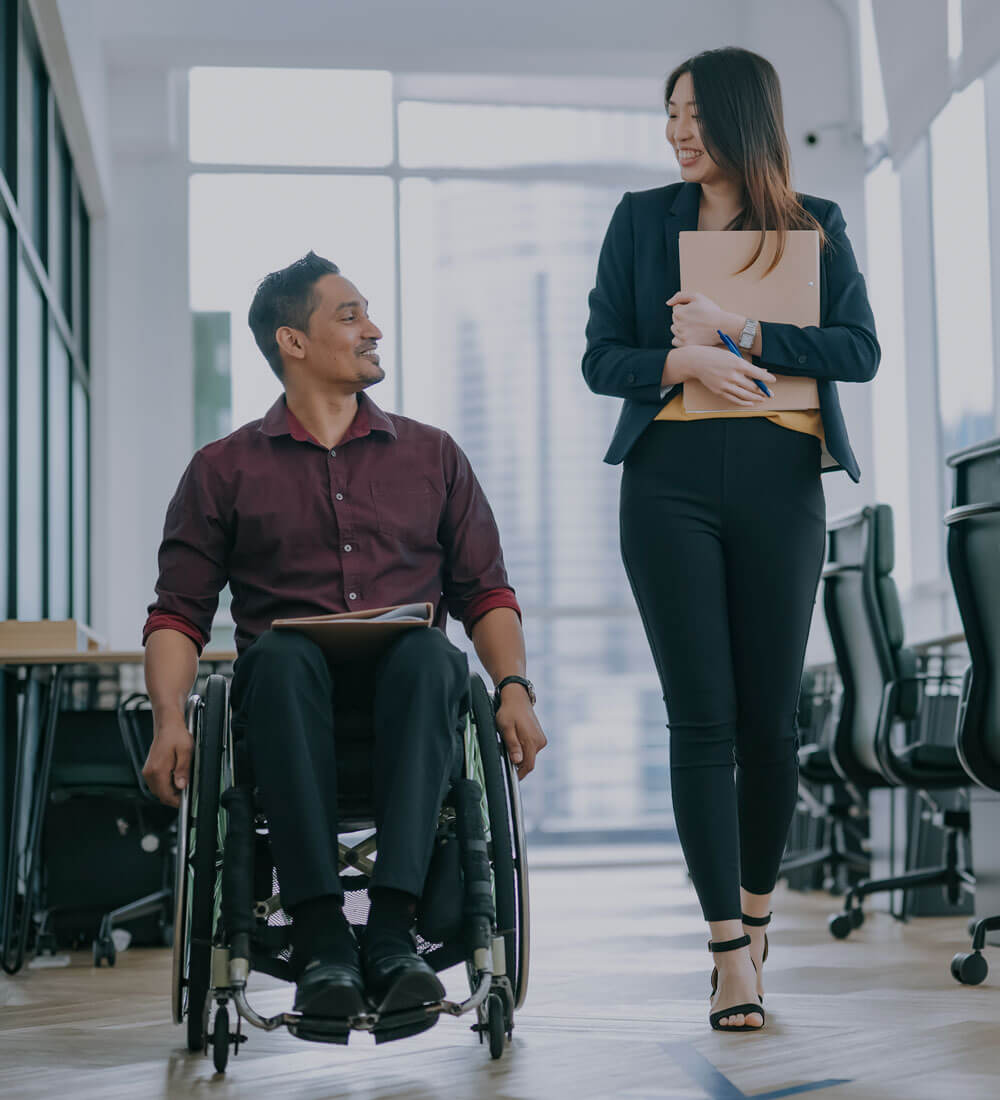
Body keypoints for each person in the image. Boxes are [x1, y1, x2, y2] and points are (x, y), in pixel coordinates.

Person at [142, 251, 547, 1021]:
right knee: (284, 656)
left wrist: (514, 689)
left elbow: (484, 591)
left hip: (413, 706)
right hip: (285, 710)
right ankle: (323, 936)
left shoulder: (432, 455)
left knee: (431, 651)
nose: (375, 330)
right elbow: (177, 614)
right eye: (351, 315)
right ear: (292, 342)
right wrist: (169, 720)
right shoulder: (222, 469)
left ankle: (392, 934)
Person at [582, 48, 879, 1032]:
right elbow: (601, 357)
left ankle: (756, 916)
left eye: (695, 115)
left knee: (770, 722)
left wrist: (743, 329)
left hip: (779, 481)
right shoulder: (639, 221)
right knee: (700, 718)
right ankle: (724, 952)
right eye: (669, 113)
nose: (677, 132)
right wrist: (684, 356)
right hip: (667, 483)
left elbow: (858, 350)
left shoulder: (813, 225)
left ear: (744, 120)